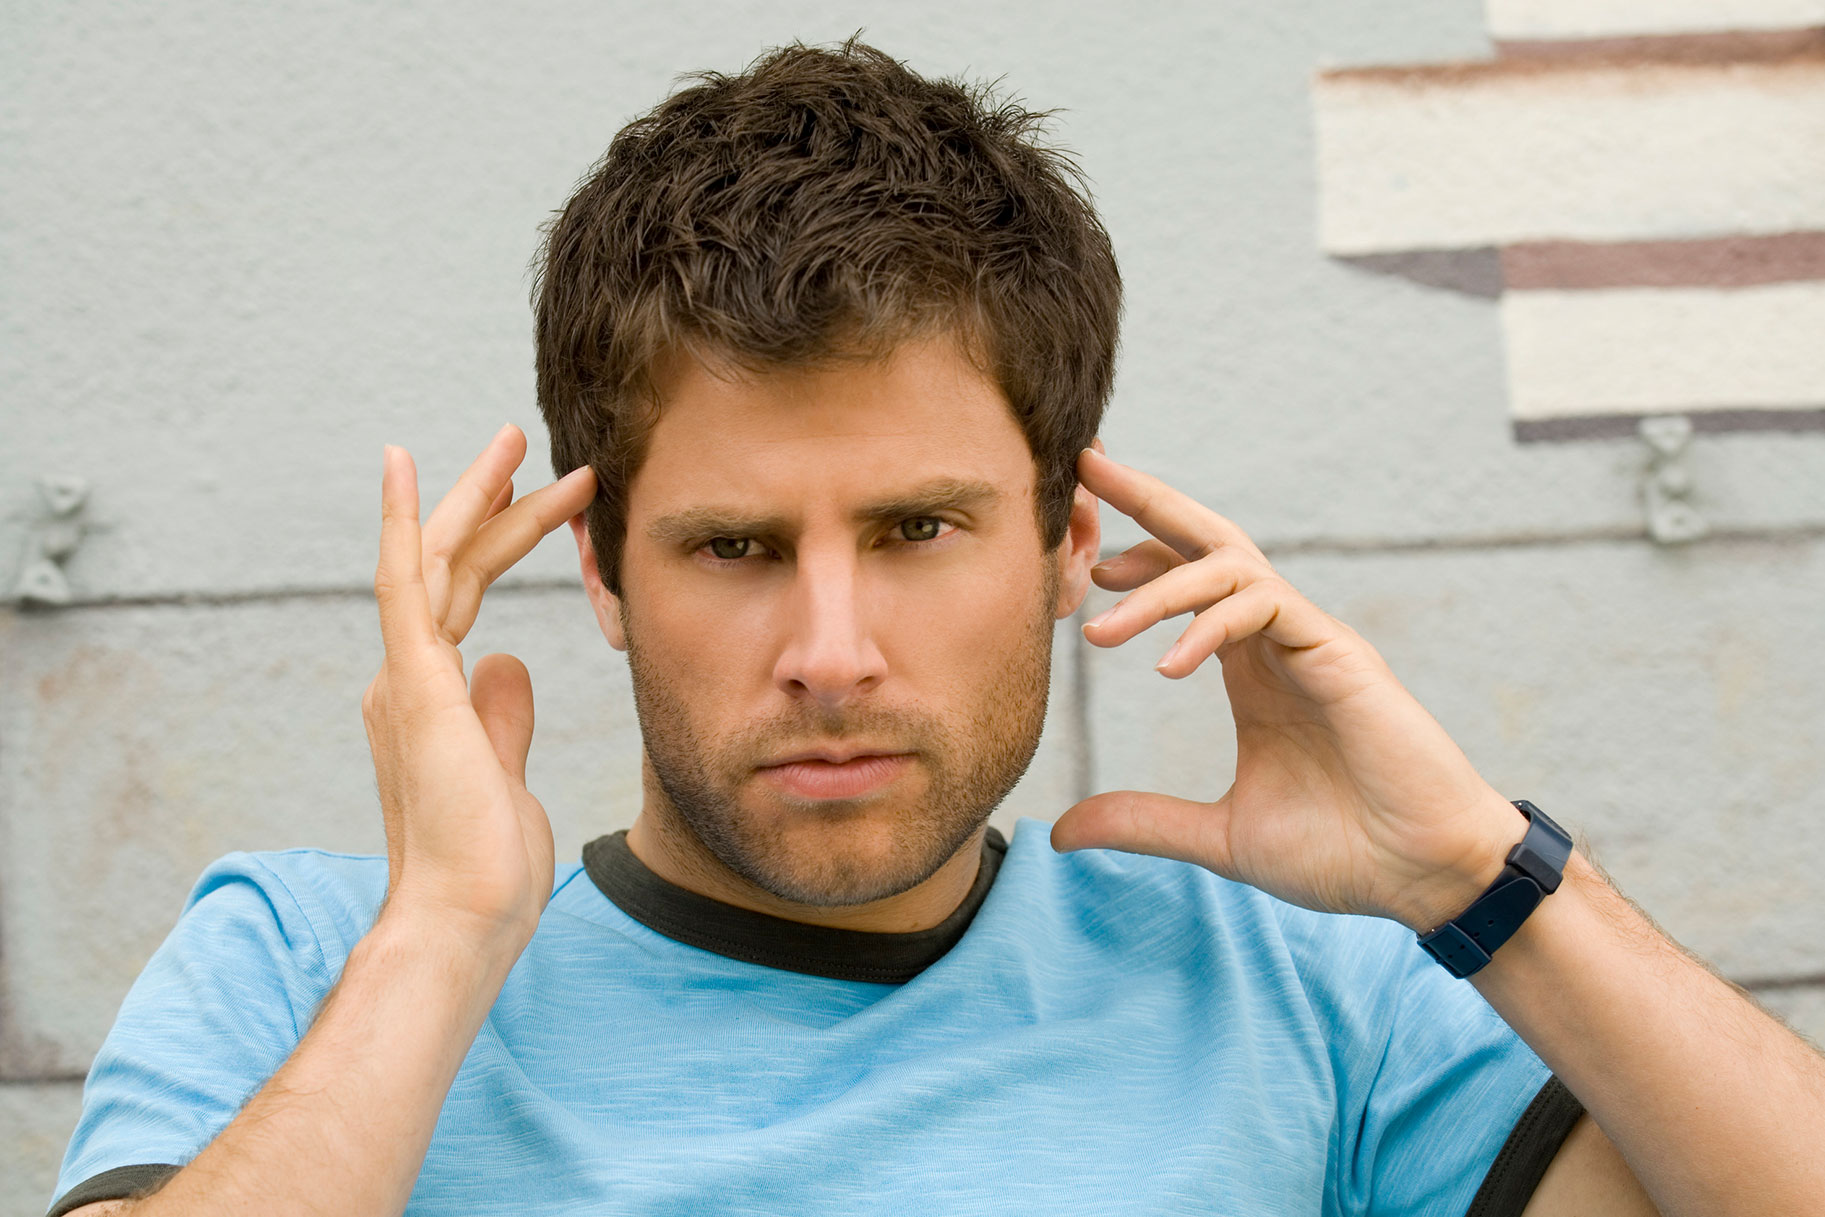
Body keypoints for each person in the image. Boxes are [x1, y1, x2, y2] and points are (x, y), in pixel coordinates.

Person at [48, 35, 1823, 1217]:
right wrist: (443, 933)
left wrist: (1476, 876)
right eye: (734, 545)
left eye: (915, 529)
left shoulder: (1295, 988)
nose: (830, 648)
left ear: (1065, 542)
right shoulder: (309, 968)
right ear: (598, 573)